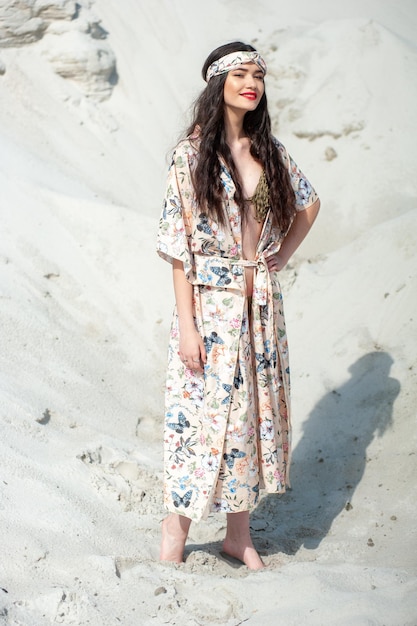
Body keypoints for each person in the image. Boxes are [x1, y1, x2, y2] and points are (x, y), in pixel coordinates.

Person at [156, 41, 320, 570]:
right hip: (210, 307)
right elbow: (179, 249)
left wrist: (281, 257)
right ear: (218, 83)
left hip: (262, 308)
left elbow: (309, 202)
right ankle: (174, 531)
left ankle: (237, 536)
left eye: (259, 75)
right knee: (198, 420)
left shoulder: (267, 150)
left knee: (251, 420)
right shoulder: (190, 154)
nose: (253, 83)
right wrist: (187, 327)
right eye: (241, 74)